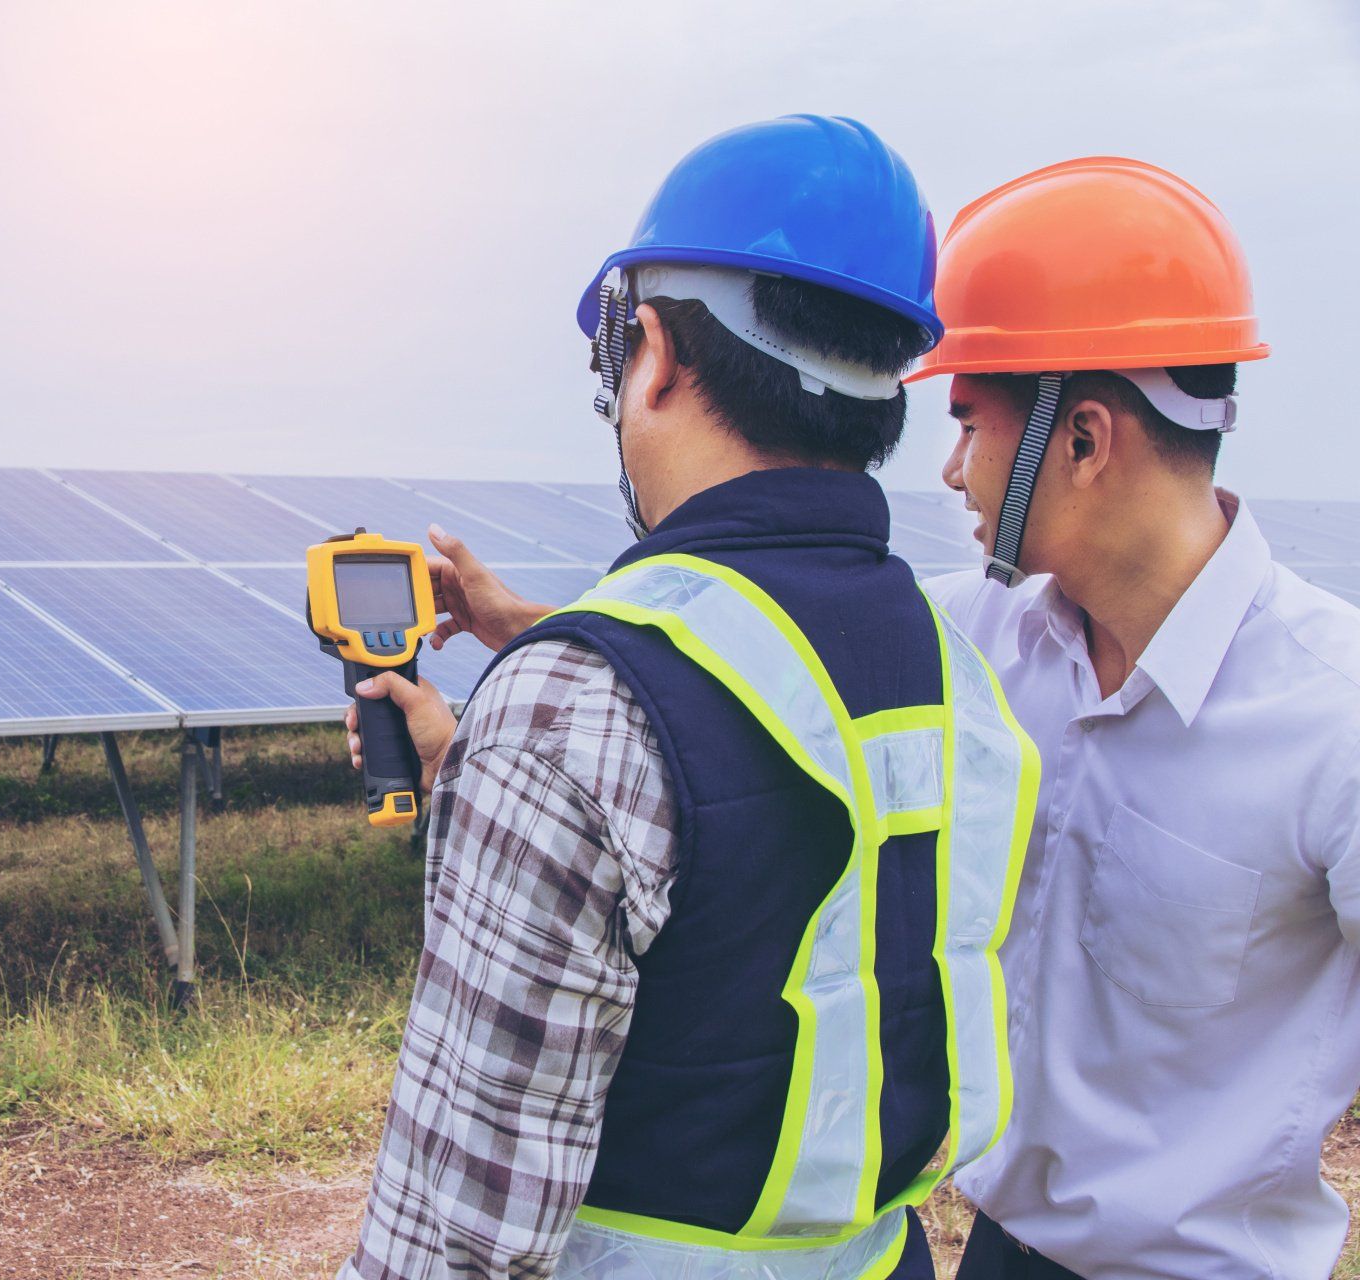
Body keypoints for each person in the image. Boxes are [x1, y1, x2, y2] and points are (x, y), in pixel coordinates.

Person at [336, 115, 1040, 1280]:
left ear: (650, 351)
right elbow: (758, 900)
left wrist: (520, 742)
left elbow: (453, 1240)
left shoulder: (566, 714)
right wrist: (502, 742)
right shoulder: (951, 657)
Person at [909, 159, 1360, 1279]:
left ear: (1086, 440)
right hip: (999, 1250)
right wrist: (525, 626)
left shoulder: (1334, 713)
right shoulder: (986, 631)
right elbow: (778, 656)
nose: (954, 468)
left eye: (970, 422)